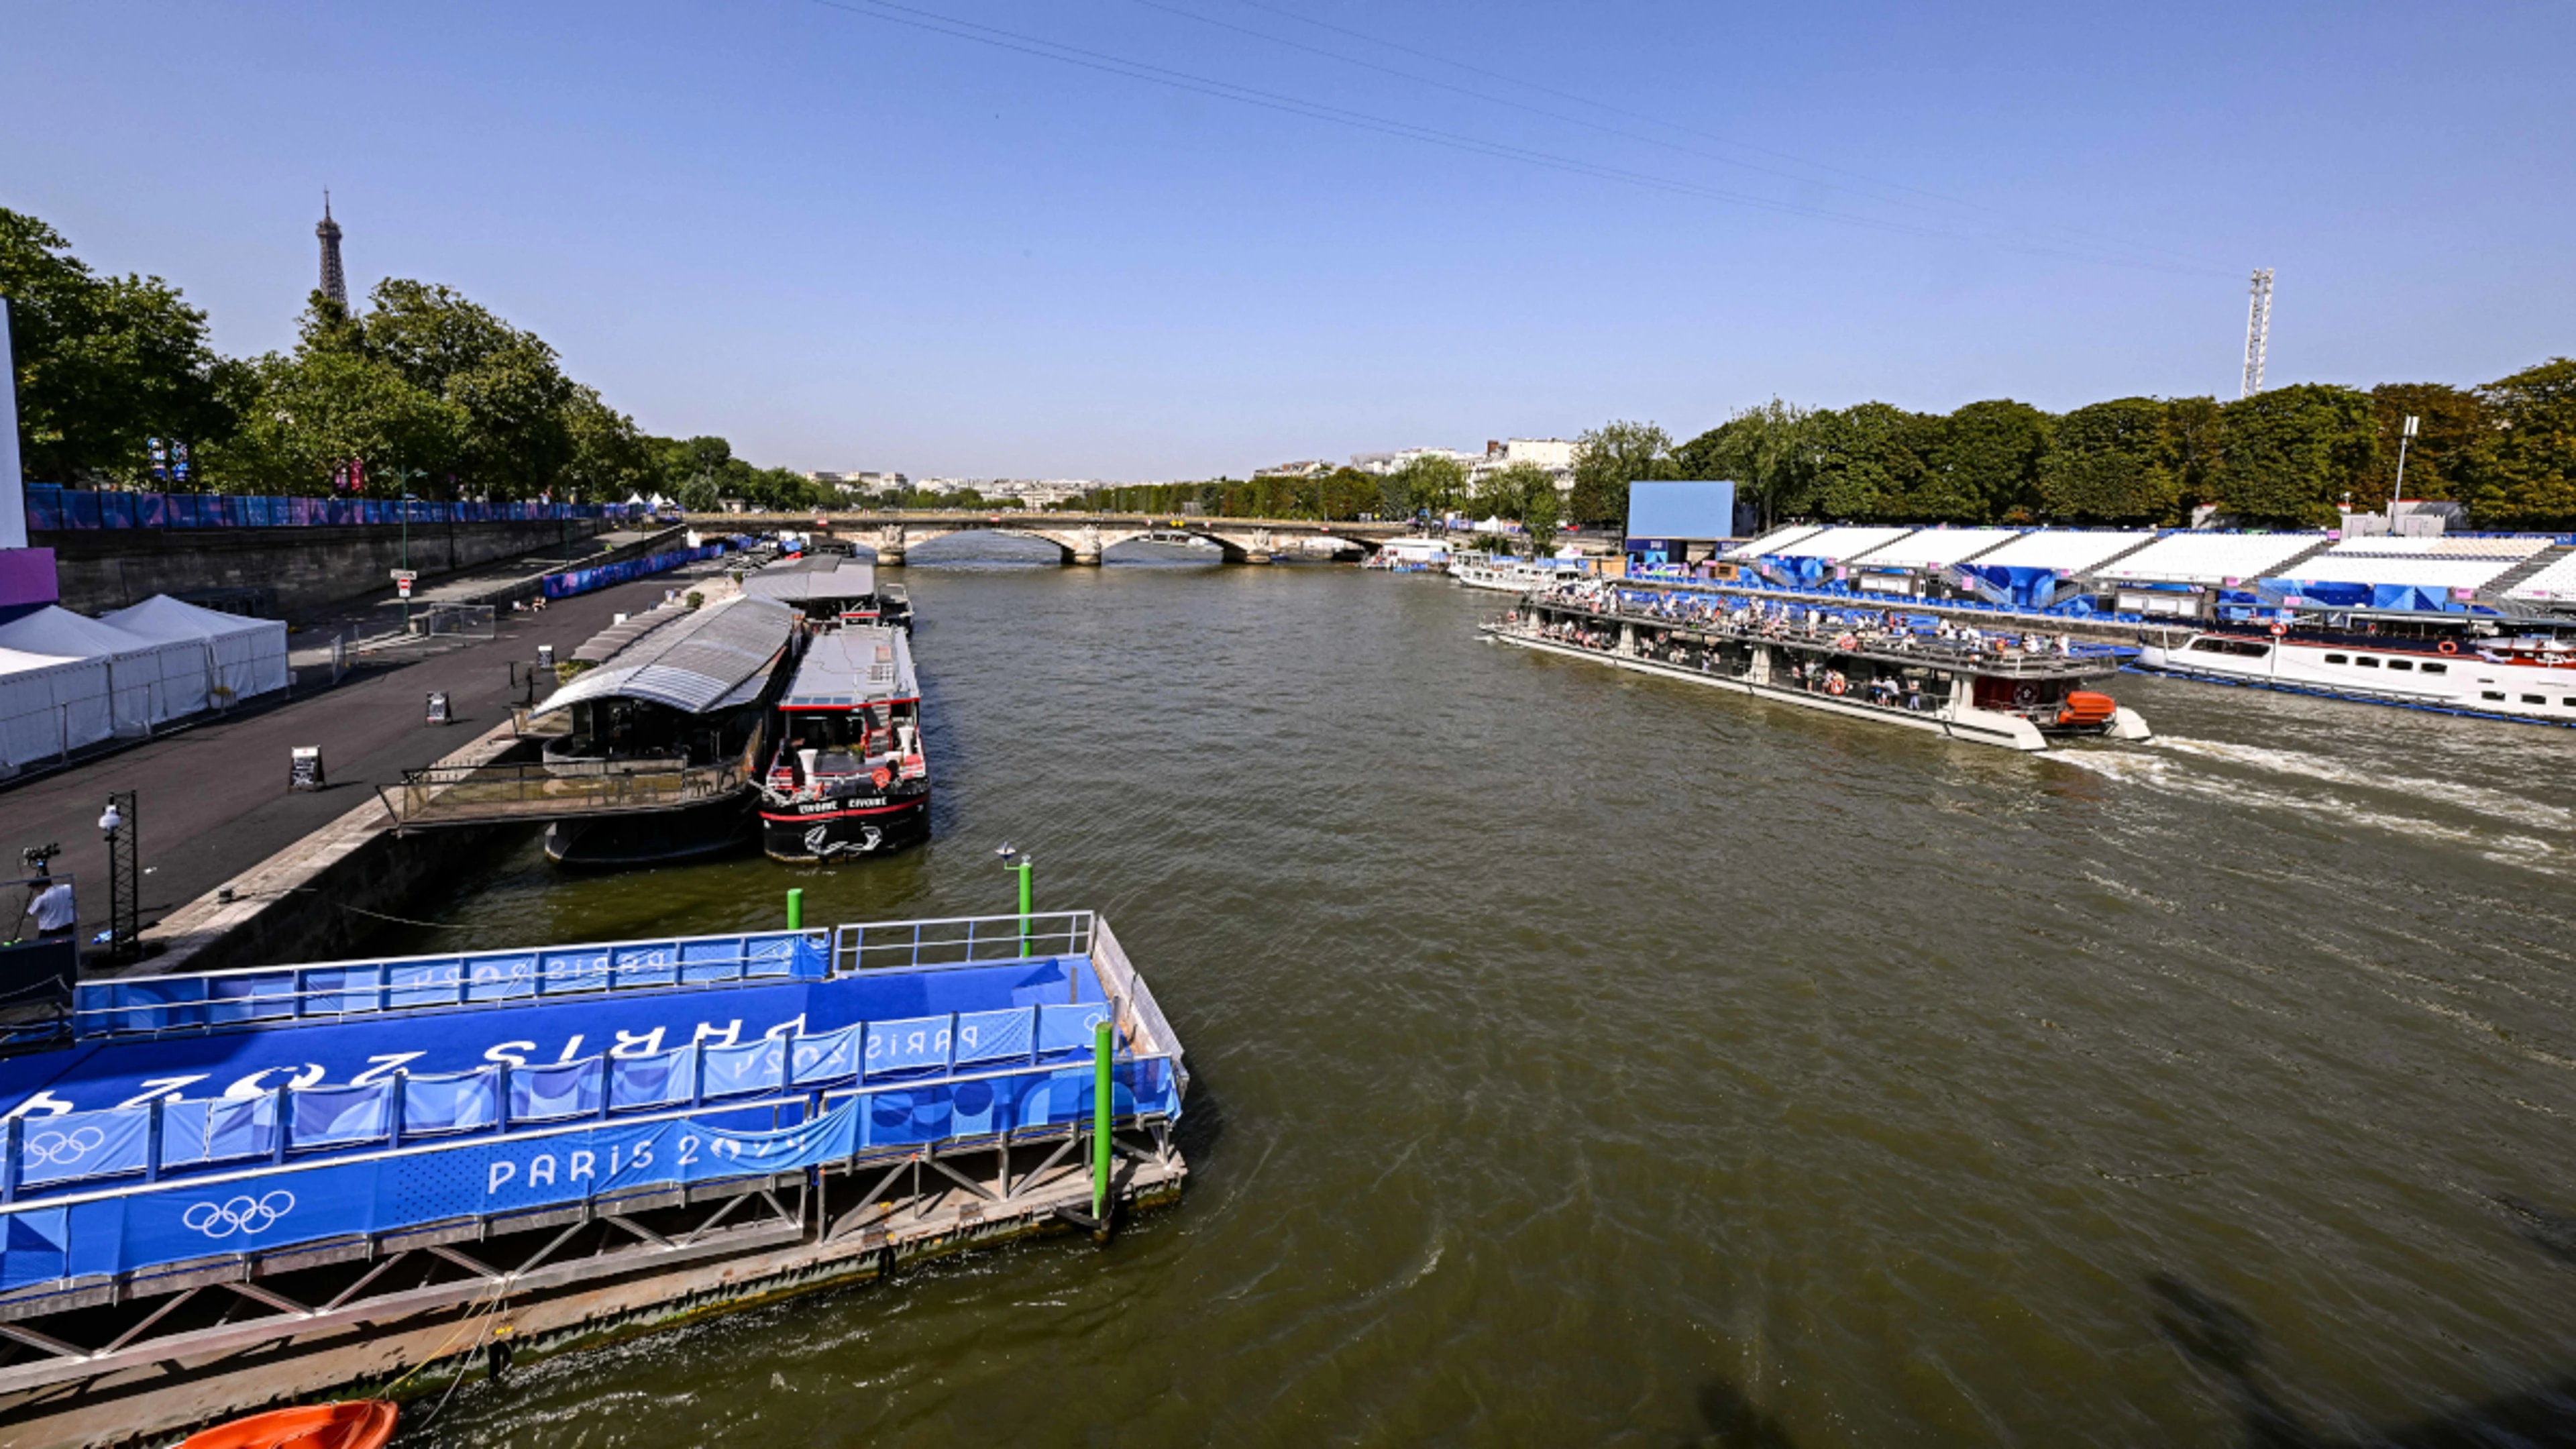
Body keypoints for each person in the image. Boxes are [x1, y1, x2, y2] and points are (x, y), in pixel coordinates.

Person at [21, 877, 74, 942]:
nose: (37, 890)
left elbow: (30, 913)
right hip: (69, 926)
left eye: (37, 887)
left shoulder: (42, 898)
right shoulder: (67, 888)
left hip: (50, 931)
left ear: (43, 885)